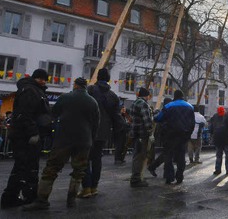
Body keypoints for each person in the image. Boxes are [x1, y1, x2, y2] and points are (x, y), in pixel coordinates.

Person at [23, 78, 99, 211]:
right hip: (84, 140)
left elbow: (53, 114)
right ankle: (71, 199)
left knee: (52, 168)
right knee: (79, 170)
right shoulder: (93, 102)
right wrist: (91, 139)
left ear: (75, 85)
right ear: (85, 87)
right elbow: (96, 124)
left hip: (64, 138)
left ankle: (42, 199)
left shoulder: (65, 97)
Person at [0, 69, 50, 209]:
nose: (44, 81)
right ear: (38, 79)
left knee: (24, 167)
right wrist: (33, 132)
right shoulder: (30, 91)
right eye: (42, 79)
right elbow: (24, 114)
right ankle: (25, 196)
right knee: (26, 167)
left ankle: (13, 196)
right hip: (25, 136)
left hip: (25, 134)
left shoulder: (31, 89)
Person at [79, 68, 123, 198]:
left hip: (88, 129)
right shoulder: (113, 96)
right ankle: (94, 187)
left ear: (97, 77)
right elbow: (116, 116)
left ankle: (86, 187)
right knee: (97, 159)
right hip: (104, 131)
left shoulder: (91, 90)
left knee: (85, 159)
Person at [154, 90, 195, 185]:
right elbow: (192, 123)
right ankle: (179, 176)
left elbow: (159, 118)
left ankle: (169, 177)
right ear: (182, 96)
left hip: (170, 135)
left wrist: (155, 115)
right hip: (183, 135)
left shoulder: (169, 106)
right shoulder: (190, 106)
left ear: (174, 96)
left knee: (168, 156)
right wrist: (188, 134)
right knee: (181, 156)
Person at [129, 87, 154, 187]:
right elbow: (147, 120)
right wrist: (150, 130)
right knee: (140, 156)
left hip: (135, 133)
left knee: (136, 155)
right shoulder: (143, 104)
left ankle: (135, 177)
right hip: (142, 134)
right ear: (147, 96)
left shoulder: (134, 103)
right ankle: (136, 179)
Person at [148, 97, 172, 177]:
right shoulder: (166, 110)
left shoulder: (165, 110)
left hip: (165, 133)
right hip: (167, 134)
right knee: (167, 153)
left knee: (168, 153)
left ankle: (165, 172)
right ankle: (153, 167)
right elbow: (158, 119)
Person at [209, 106, 228, 175]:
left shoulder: (214, 117)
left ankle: (218, 170)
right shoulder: (227, 117)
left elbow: (211, 128)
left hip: (218, 139)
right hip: (227, 139)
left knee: (219, 155)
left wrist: (212, 134)